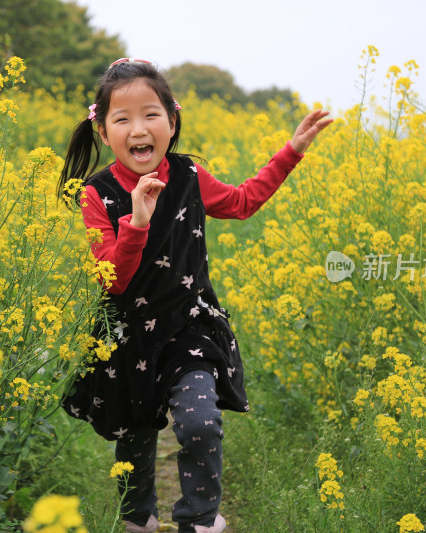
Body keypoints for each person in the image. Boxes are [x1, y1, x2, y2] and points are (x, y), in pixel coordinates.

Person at [58, 57, 332, 533]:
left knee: (200, 423)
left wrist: (291, 151)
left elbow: (243, 203)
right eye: (122, 119)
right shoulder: (95, 195)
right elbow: (112, 280)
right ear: (103, 132)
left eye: (150, 114)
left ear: (172, 121)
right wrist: (137, 223)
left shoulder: (188, 177)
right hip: (126, 336)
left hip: (190, 327)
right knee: (135, 438)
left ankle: (200, 521)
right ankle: (138, 519)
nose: (138, 128)